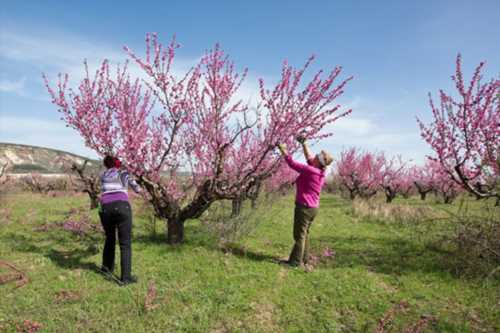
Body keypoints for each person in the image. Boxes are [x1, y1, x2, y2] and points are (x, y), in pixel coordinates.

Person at [276, 136, 333, 267]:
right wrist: (304, 143)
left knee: (299, 235)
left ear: (319, 161)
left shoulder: (310, 170)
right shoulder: (320, 171)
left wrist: (283, 149)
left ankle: (294, 262)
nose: (315, 156)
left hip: (304, 207)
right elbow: (309, 157)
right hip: (313, 208)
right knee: (305, 234)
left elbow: (292, 163)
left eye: (318, 156)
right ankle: (304, 259)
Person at [98, 155, 141, 285]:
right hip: (122, 207)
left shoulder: (103, 175)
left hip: (105, 208)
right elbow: (137, 189)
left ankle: (106, 268)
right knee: (125, 243)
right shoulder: (124, 173)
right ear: (118, 164)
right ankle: (125, 278)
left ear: (106, 164)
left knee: (109, 238)